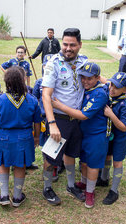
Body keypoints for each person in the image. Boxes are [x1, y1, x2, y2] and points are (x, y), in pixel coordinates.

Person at [52, 62, 109, 208]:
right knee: (83, 162)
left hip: (96, 136)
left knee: (92, 165)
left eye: (89, 78)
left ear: (97, 78)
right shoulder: (85, 89)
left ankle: (90, 192)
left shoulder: (100, 93)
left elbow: (83, 115)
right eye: (83, 77)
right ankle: (84, 183)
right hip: (83, 133)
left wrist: (59, 106)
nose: (85, 81)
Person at [41, 28, 88, 205]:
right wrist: (52, 123)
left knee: (71, 153)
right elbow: (47, 95)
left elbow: (96, 78)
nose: (68, 48)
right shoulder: (54, 63)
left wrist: (116, 86)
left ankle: (70, 185)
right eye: (65, 44)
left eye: (72, 45)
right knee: (51, 157)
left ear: (80, 45)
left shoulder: (83, 61)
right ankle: (47, 188)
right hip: (59, 119)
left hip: (76, 118)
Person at [0, 66, 41, 207]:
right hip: (24, 137)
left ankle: (4, 195)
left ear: (6, 81)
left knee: (2, 163)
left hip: (4, 136)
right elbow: (37, 122)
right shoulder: (32, 100)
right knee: (20, 165)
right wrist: (36, 137)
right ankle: (17, 197)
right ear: (23, 81)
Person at [98, 72, 126, 205]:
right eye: (111, 84)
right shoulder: (109, 90)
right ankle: (104, 178)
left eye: (116, 87)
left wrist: (111, 115)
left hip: (120, 136)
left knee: (117, 162)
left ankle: (114, 190)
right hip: (109, 133)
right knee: (107, 156)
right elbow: (102, 80)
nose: (112, 89)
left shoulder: (125, 106)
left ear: (125, 90)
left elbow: (123, 127)